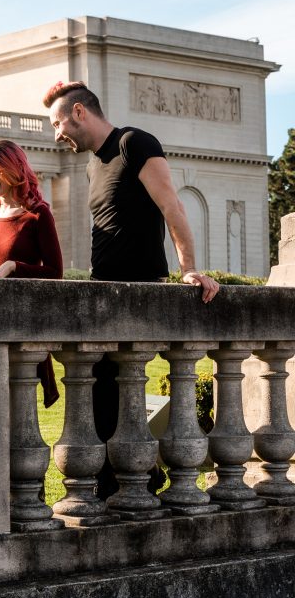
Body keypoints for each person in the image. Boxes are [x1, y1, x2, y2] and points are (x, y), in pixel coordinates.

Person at [42, 80, 220, 499]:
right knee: (97, 395)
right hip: (103, 292)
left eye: (57, 122)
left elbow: (171, 206)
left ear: (80, 112)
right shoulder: (90, 164)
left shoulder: (134, 143)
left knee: (112, 393)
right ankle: (119, 486)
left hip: (137, 292)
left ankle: (123, 487)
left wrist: (189, 270)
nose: (56, 134)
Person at [0, 138, 62, 405]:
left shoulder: (38, 215)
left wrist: (14, 267)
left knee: (18, 405)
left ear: (13, 167)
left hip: (21, 321)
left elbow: (54, 272)